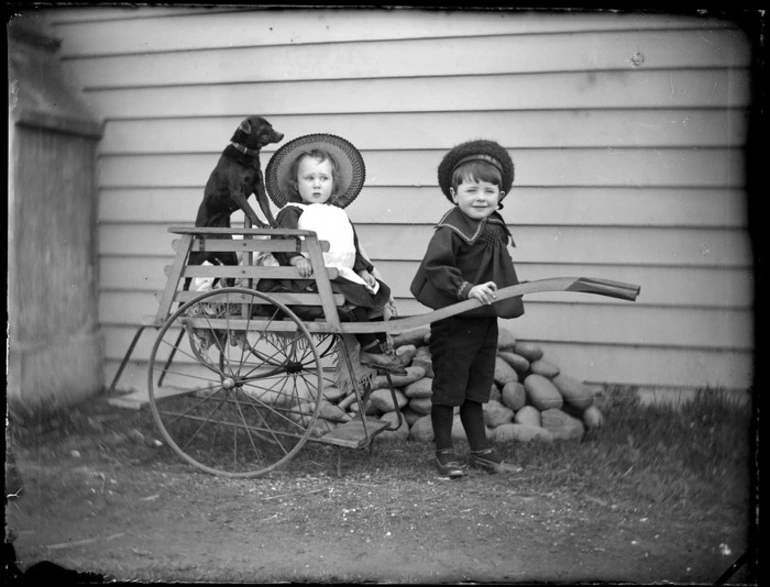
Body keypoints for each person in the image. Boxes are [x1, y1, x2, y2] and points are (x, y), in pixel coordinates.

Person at [410, 139, 525, 477]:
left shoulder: (493, 227)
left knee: (477, 389)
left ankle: (482, 452)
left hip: (484, 320)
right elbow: (436, 268)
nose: (481, 198)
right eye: (472, 190)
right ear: (453, 192)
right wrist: (467, 288)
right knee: (448, 390)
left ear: (500, 195)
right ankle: (444, 452)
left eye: (490, 191)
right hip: (454, 321)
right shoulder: (451, 228)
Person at [262, 133, 407, 374]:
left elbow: (351, 243)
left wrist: (362, 269)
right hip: (306, 279)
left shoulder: (337, 213)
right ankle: (370, 349)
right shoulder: (292, 212)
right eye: (309, 178)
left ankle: (378, 346)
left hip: (338, 273)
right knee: (354, 300)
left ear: (333, 182)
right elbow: (284, 239)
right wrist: (296, 258)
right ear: (296, 184)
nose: (317, 184)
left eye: (323, 178)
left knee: (374, 291)